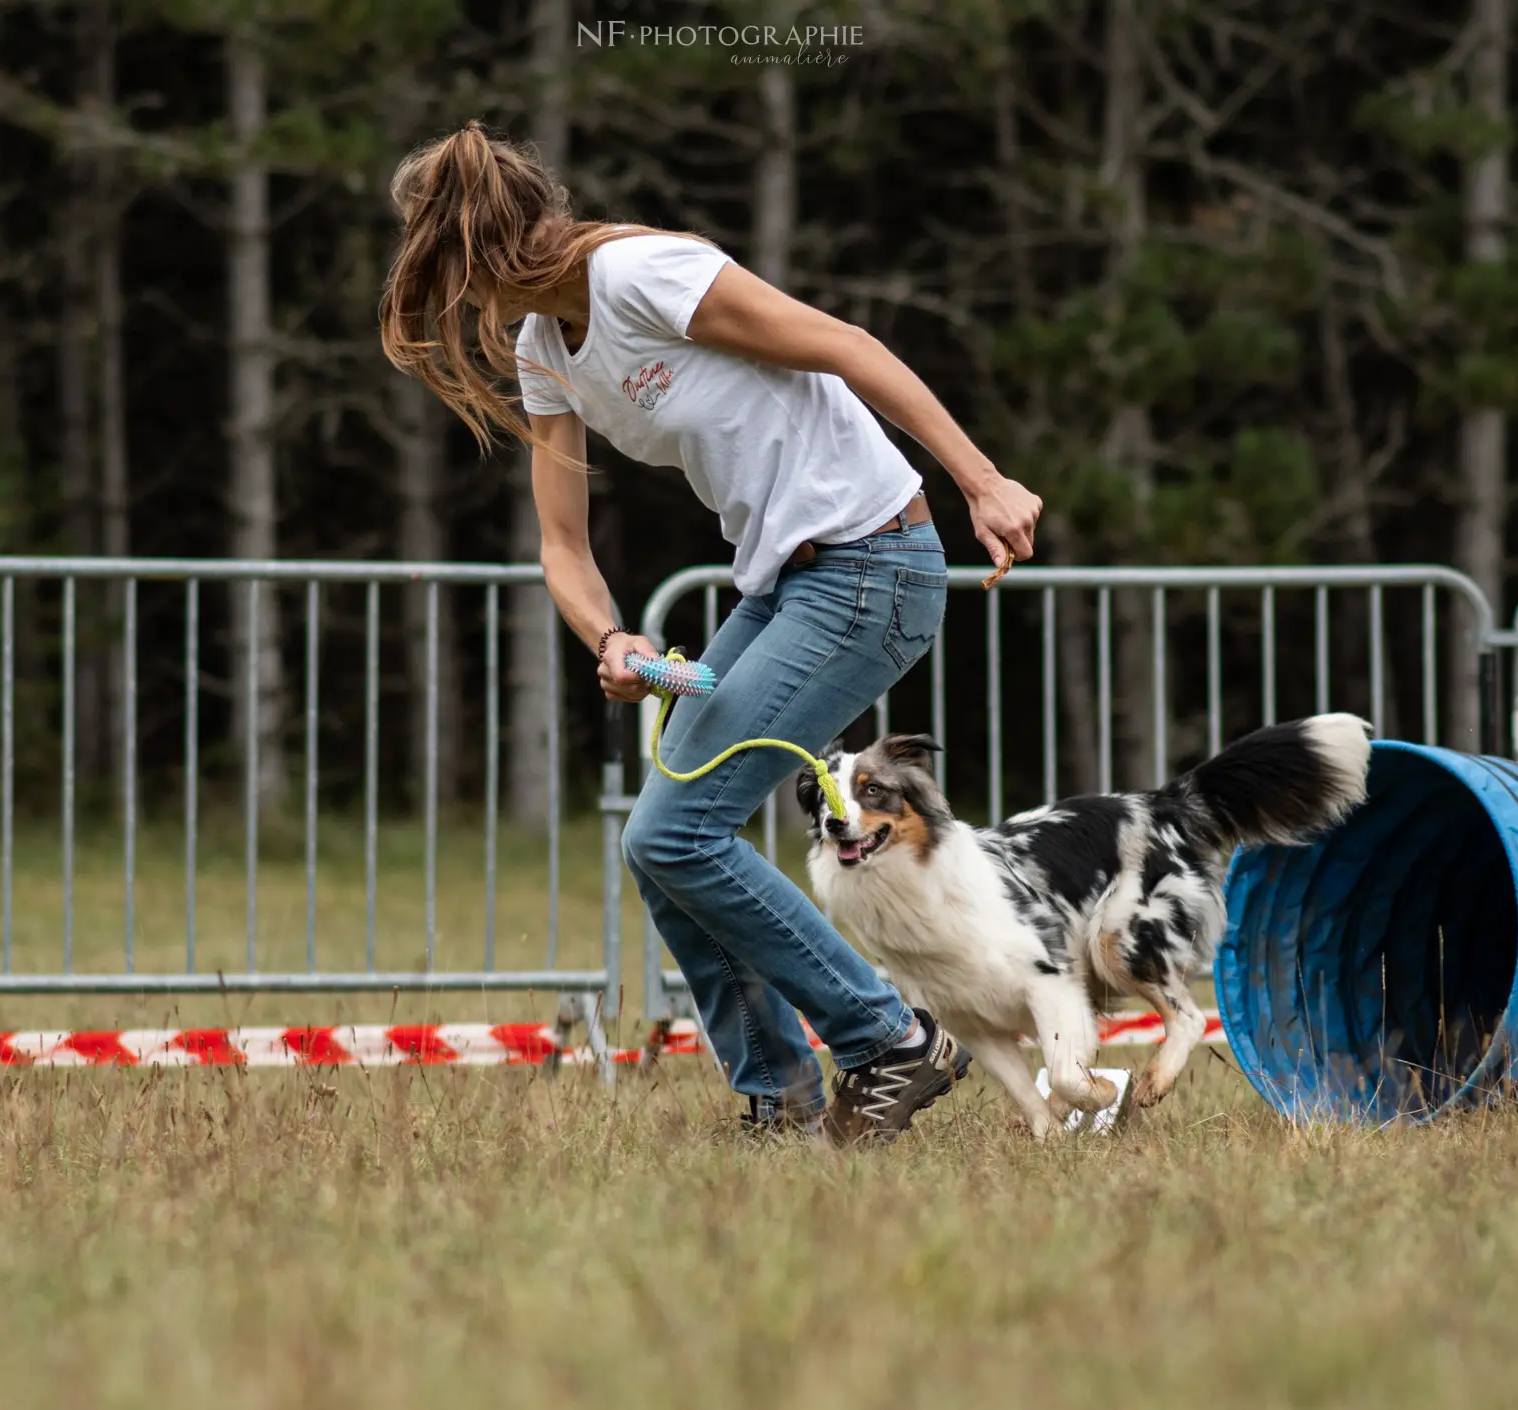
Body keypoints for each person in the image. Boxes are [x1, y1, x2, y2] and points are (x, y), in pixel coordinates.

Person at [379, 121, 1041, 1145]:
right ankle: (776, 1092)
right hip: (784, 585)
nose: (448, 302)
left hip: (871, 567)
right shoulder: (543, 345)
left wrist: (981, 481)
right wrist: (610, 640)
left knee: (675, 832)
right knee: (662, 846)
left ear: (469, 253)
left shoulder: (647, 275)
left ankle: (887, 1041)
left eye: (439, 269)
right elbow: (562, 543)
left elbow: (848, 347)